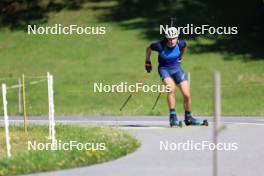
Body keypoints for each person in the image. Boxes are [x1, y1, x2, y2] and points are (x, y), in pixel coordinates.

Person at [145, 27, 201, 127]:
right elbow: (148, 48)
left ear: (177, 37)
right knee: (171, 89)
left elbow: (184, 47)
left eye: (173, 38)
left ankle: (188, 117)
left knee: (186, 94)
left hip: (177, 69)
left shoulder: (181, 43)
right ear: (166, 38)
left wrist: (180, 58)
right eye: (169, 39)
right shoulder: (159, 45)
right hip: (164, 69)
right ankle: (173, 116)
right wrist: (147, 61)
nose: (171, 41)